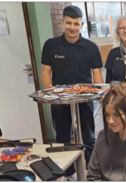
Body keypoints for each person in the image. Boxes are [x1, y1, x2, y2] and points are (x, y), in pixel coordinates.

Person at [41, 5, 103, 180]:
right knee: (61, 136)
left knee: (88, 136)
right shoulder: (51, 45)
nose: (72, 27)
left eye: (76, 24)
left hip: (84, 99)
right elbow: (46, 72)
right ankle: (66, 173)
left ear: (81, 24)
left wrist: (98, 96)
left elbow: (97, 75)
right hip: (59, 101)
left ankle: (91, 171)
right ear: (62, 22)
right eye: (68, 23)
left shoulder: (91, 47)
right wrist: (52, 93)